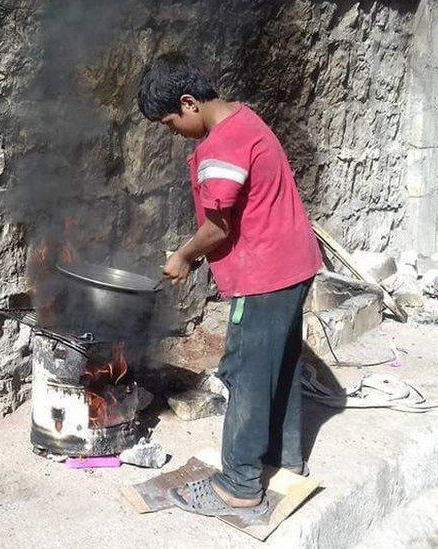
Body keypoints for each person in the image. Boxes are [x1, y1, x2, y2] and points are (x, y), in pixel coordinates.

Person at [137, 52, 323, 517]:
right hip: (293, 264)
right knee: (279, 364)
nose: (171, 131)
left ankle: (239, 485)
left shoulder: (222, 144)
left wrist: (184, 255)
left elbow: (218, 227)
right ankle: (285, 458)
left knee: (245, 372)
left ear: (189, 103)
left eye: (169, 122)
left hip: (265, 276)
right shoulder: (243, 117)